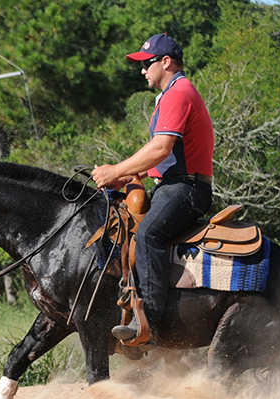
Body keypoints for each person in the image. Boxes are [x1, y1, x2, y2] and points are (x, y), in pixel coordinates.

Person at [92, 33, 214, 345]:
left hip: (185, 189)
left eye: (147, 64)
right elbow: (167, 155)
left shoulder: (178, 93)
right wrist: (128, 175)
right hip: (175, 185)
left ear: (166, 62)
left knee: (147, 236)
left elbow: (160, 148)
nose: (142, 70)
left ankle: (149, 326)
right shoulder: (173, 93)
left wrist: (117, 170)